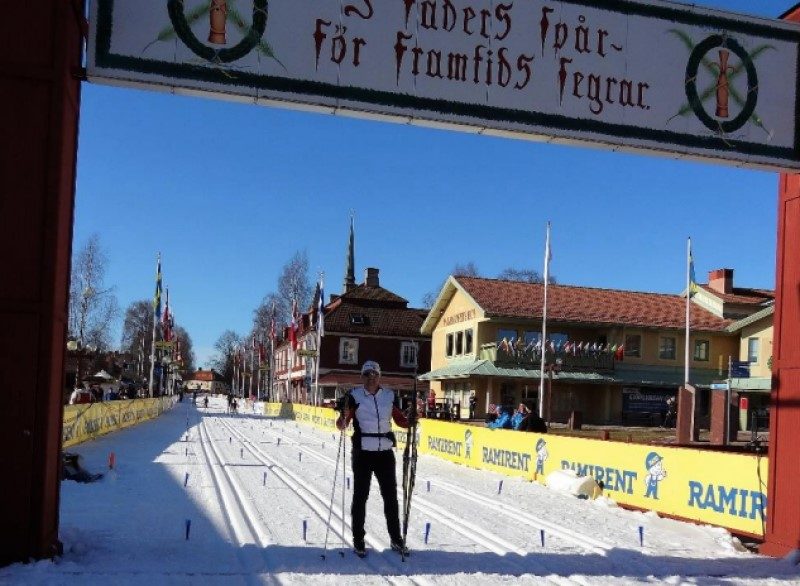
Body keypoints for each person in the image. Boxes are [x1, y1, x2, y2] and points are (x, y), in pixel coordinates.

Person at [336, 360, 410, 558]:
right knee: (360, 497)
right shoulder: (355, 396)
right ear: (362, 376)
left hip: (385, 453)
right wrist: (343, 415)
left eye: (374, 374)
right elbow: (342, 424)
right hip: (363, 453)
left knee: (391, 498)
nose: (371, 378)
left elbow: (400, 420)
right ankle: (358, 539)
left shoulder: (388, 396)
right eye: (367, 374)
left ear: (379, 376)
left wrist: (411, 419)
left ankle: (396, 539)